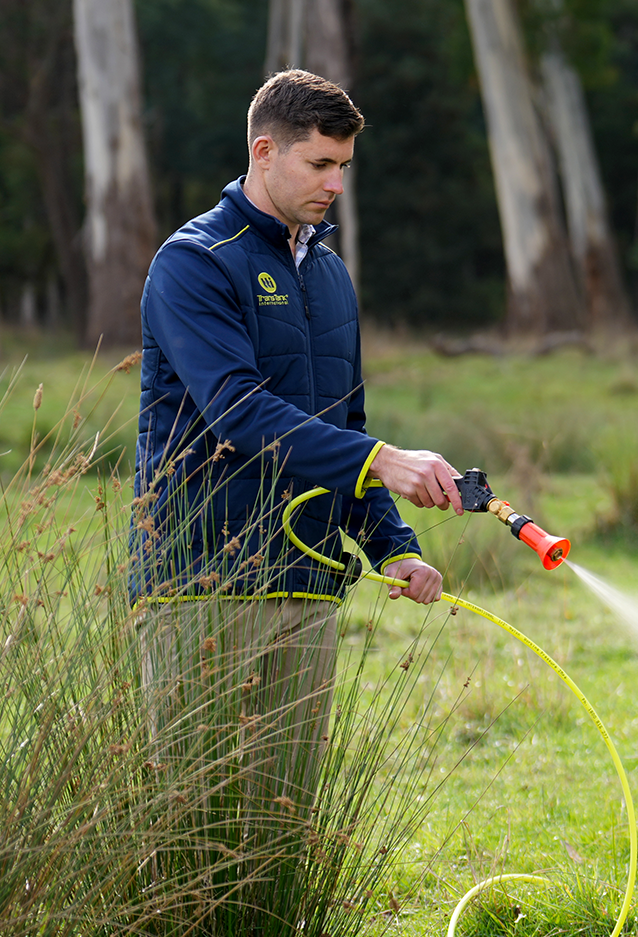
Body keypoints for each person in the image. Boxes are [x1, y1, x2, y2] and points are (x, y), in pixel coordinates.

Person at [131, 68, 461, 810]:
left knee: (282, 827)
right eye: (320, 163)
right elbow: (240, 412)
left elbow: (343, 428)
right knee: (194, 823)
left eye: (343, 166)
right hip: (202, 584)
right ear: (264, 150)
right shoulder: (194, 264)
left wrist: (393, 546)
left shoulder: (333, 277)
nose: (335, 184)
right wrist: (385, 463)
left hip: (309, 585)